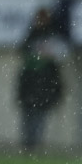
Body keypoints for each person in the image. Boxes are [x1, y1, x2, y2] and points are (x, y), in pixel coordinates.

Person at [16, 8, 68, 151]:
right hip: (31, 81)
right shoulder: (31, 35)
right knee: (28, 114)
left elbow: (61, 54)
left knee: (39, 114)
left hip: (44, 81)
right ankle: (27, 143)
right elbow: (23, 51)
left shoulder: (52, 35)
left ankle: (35, 143)